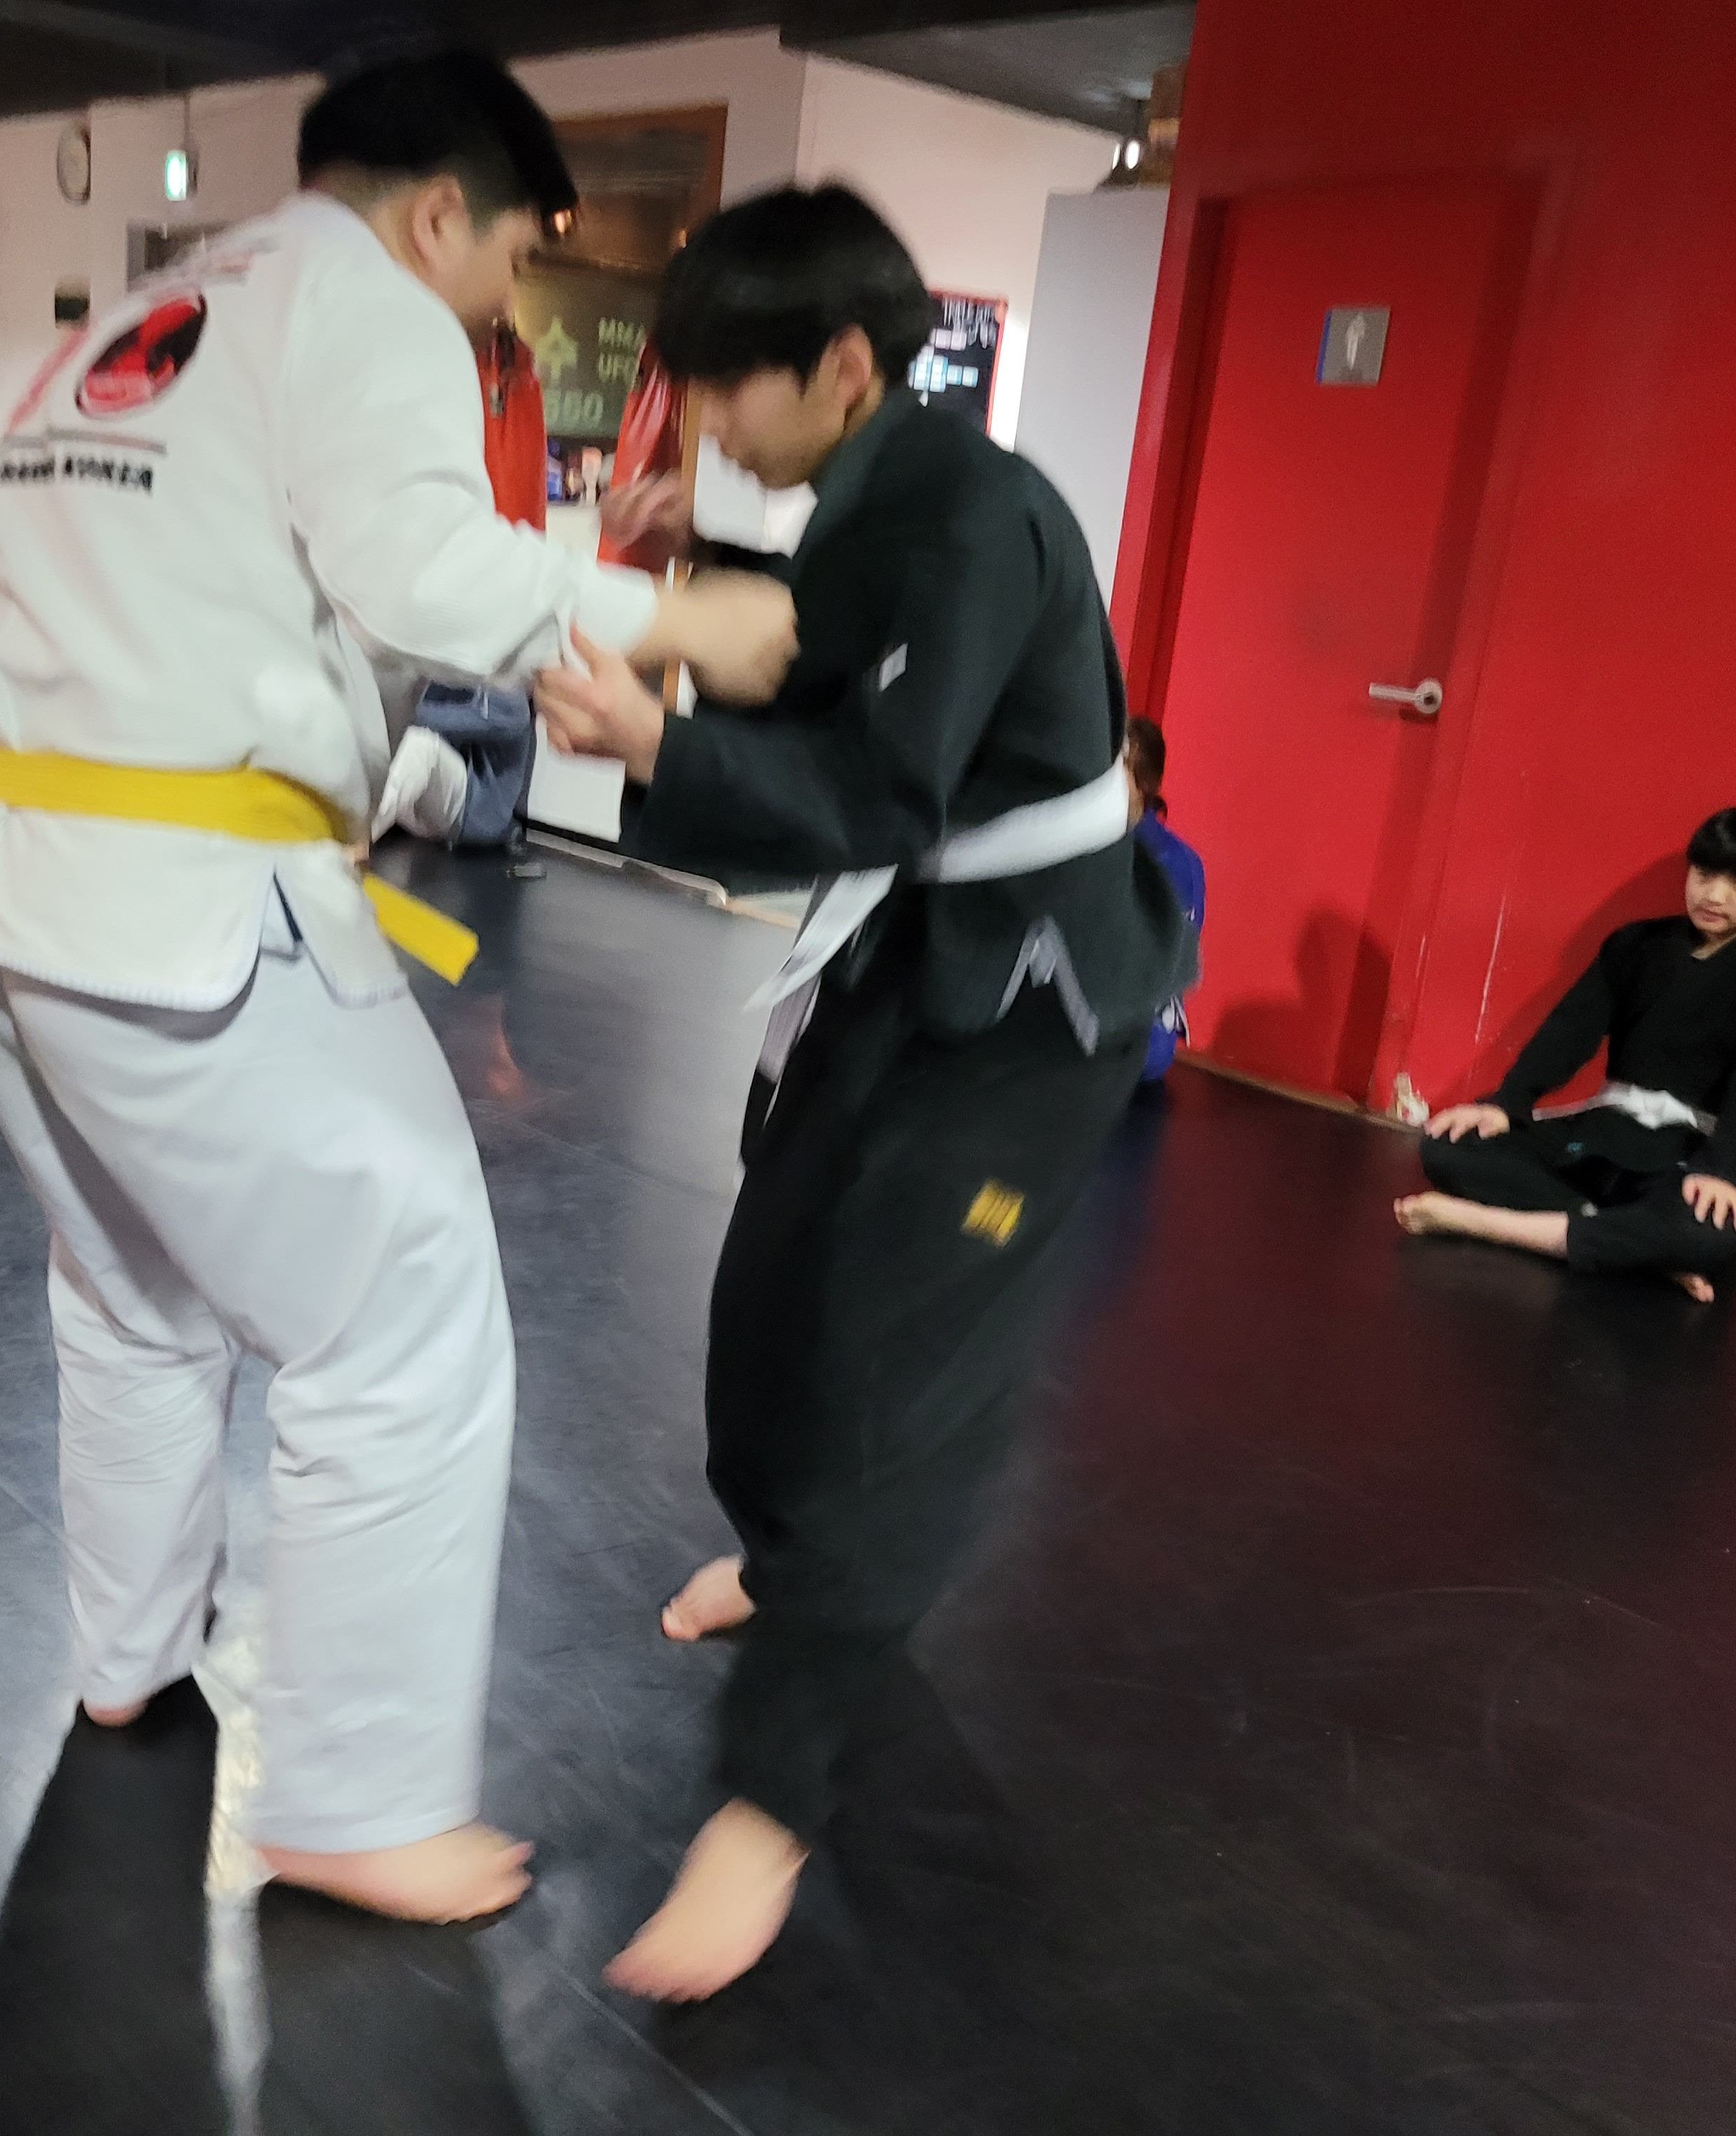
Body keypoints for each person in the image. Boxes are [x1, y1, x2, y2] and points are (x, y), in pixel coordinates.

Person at [0, 52, 796, 1926]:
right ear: (442, 212)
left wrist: (401, 766)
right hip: (176, 910)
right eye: (511, 261)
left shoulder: (152, 317)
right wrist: (676, 612)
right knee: (402, 1304)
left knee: (134, 1295)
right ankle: (356, 1801)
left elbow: (214, 605)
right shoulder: (368, 302)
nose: (505, 310)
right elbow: (416, 565)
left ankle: (129, 1656)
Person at [534, 186, 1196, 2000]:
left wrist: (660, 725)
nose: (710, 426)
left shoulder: (974, 512)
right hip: (909, 965)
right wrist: (690, 591)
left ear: (842, 363)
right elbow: (824, 676)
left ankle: (770, 1800)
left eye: (727, 390)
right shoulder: (859, 502)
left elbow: (883, 783)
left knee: (900, 1382)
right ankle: (788, 1557)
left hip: (1034, 1002)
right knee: (772, 1301)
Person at [1395, 807, 1736, 1303]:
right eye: (1704, 875)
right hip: (1602, 1133)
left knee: (1715, 1234)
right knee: (1448, 1146)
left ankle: (1481, 1222)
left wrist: (1726, 1170)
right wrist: (1508, 1103)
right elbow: (1570, 1030)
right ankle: (1639, 1254)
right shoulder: (1636, 943)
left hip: (1687, 1155)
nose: (1714, 895)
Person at [1124, 715, 1204, 1081]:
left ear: (1138, 781)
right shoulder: (1191, 862)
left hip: (1121, 1051)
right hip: (1155, 1048)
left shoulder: (1121, 855)